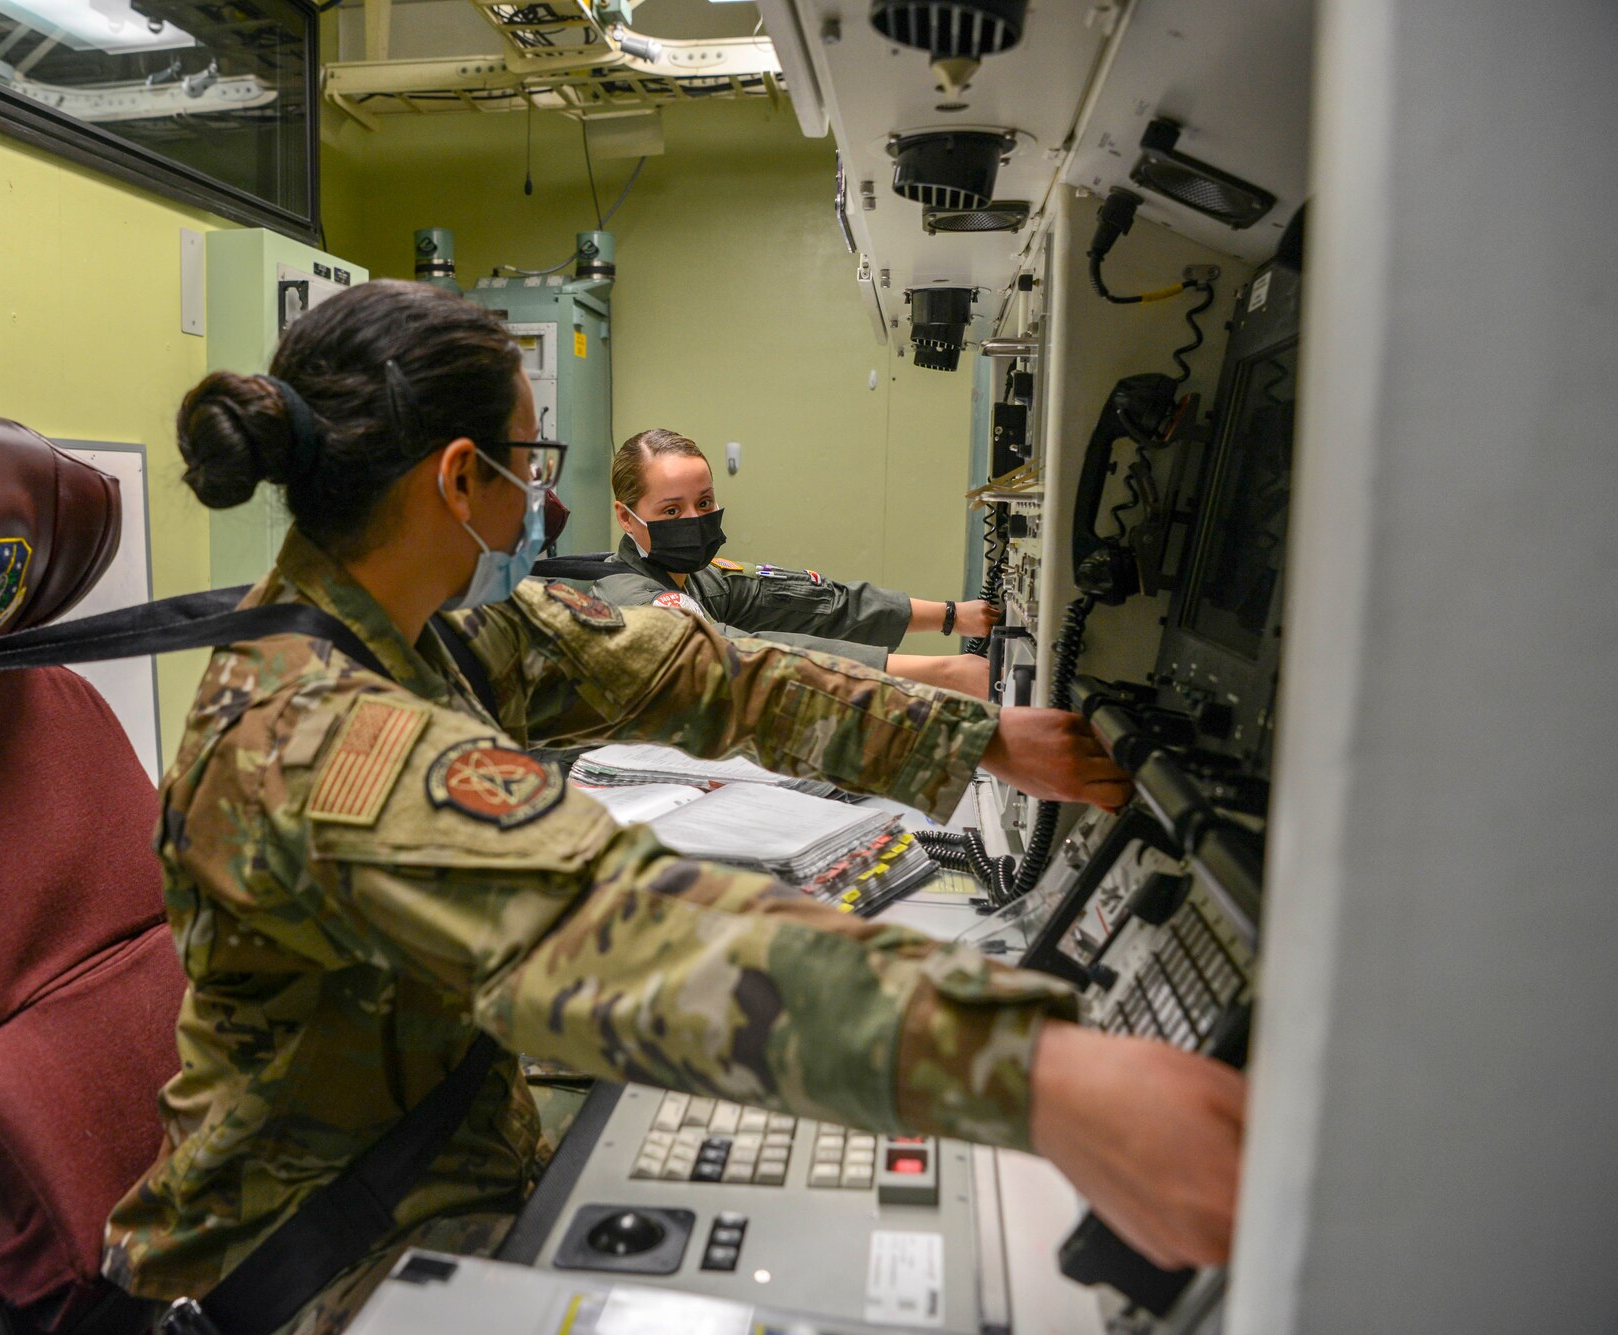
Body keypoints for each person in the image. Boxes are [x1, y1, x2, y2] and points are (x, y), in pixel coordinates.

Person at [101, 281, 1246, 1332]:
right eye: (524, 458)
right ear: (458, 478)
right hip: (320, 1266)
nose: (535, 489)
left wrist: (981, 737)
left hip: (439, 1164)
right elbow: (610, 931)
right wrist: (1044, 1073)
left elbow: (696, 667)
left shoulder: (419, 637)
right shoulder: (314, 740)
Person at [595, 428, 999, 698]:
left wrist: (952, 616)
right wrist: (942, 673)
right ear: (626, 516)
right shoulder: (632, 601)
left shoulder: (698, 579)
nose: (694, 521)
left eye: (703, 503)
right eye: (671, 511)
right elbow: (748, 654)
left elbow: (811, 602)